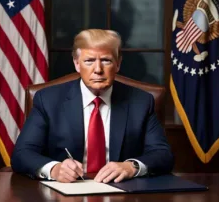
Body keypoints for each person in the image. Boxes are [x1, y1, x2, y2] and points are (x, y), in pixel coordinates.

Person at [11, 29, 174, 183]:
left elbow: (163, 155)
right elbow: (21, 154)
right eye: (89, 61)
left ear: (118, 64)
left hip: (122, 191)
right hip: (66, 192)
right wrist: (54, 169)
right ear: (76, 64)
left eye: (106, 60)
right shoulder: (48, 100)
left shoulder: (141, 102)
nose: (98, 69)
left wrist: (131, 166)